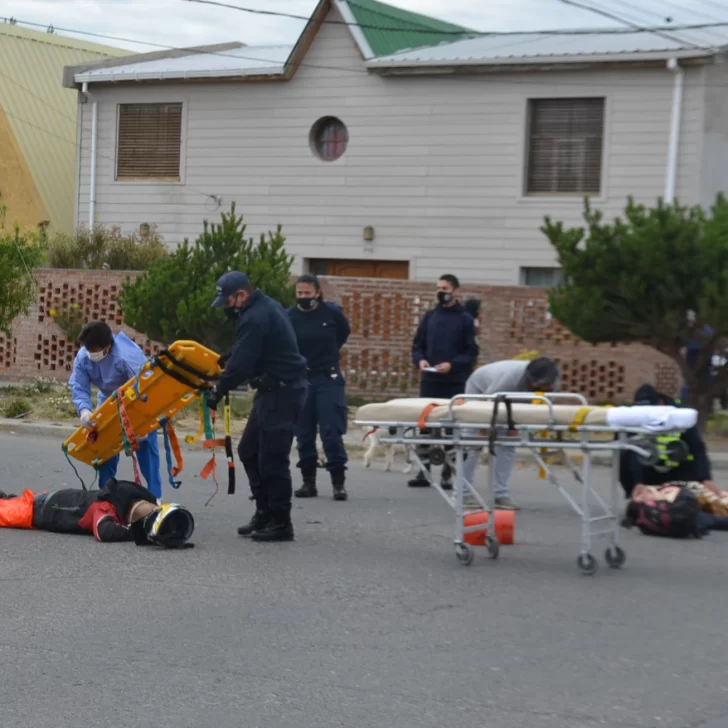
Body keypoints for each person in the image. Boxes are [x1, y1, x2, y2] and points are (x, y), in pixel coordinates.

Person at [208, 271, 308, 543]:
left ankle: (281, 522)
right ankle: (264, 512)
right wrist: (231, 355)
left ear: (241, 295)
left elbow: (242, 365)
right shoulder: (262, 308)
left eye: (227, 302)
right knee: (249, 451)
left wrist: (218, 389)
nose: (226, 309)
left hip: (283, 392)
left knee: (273, 459)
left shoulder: (255, 316)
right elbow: (251, 349)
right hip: (271, 391)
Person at [69, 321, 163, 499]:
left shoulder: (127, 357)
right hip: (109, 399)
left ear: (108, 346)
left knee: (145, 448)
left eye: (95, 350)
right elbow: (79, 386)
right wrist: (84, 411)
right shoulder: (84, 356)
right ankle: (107, 495)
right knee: (106, 448)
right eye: (89, 350)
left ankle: (155, 497)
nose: (92, 354)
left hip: (137, 400)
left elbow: (146, 389)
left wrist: (142, 421)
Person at [460, 357, 561, 510]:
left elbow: (539, 402)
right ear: (530, 377)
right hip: (481, 390)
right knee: (473, 445)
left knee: (507, 445)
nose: (541, 387)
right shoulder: (510, 378)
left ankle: (500, 495)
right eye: (538, 384)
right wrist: (482, 424)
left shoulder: (552, 380)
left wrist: (514, 424)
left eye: (545, 385)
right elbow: (486, 399)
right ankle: (462, 493)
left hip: (511, 401)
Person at [409, 274, 478, 489]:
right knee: (425, 426)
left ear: (456, 291)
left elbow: (471, 352)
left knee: (451, 427)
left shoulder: (465, 320)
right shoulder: (430, 317)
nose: (441, 292)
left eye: (445, 288)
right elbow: (417, 345)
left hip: (454, 381)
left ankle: (448, 472)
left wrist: (452, 364)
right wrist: (420, 360)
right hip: (430, 379)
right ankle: (424, 470)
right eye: (438, 288)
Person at [287, 274, 352, 501]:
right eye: (299, 294)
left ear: (317, 293)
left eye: (307, 293)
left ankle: (338, 483)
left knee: (331, 431)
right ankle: (308, 482)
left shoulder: (331, 313)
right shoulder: (290, 316)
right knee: (304, 434)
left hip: (328, 379)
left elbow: (343, 333)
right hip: (302, 379)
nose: (303, 297)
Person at [0, 478, 194, 547]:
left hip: (53, 501)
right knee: (6, 513)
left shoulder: (140, 498)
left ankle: (6, 497)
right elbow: (104, 532)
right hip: (43, 510)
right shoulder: (104, 506)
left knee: (11, 502)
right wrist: (136, 533)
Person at [619, 384, 715, 499]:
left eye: (649, 409)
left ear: (660, 403)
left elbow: (698, 449)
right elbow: (633, 454)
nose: (646, 413)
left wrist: (705, 478)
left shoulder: (680, 417)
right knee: (624, 453)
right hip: (650, 470)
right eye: (642, 410)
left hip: (681, 469)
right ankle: (636, 494)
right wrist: (637, 482)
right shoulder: (637, 417)